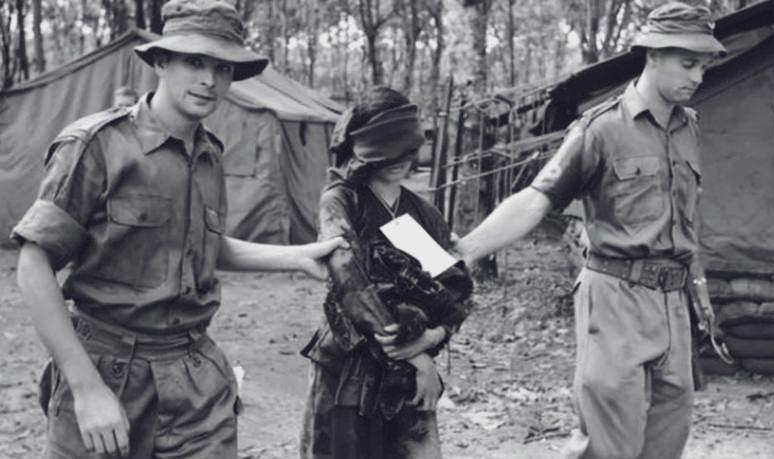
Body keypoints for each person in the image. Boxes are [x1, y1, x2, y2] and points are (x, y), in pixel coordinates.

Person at [11, 1, 344, 458]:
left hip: (193, 377)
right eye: (195, 62)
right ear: (161, 62)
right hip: (106, 369)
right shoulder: (97, 146)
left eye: (222, 68)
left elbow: (204, 245)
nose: (210, 80)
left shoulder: (209, 154)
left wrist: (298, 256)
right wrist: (86, 388)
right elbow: (33, 265)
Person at [454, 3, 725, 459]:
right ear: (652, 55)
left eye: (703, 65)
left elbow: (686, 221)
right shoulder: (600, 129)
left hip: (673, 303)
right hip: (617, 297)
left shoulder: (688, 127)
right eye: (687, 63)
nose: (698, 75)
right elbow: (537, 199)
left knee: (667, 437)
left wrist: (699, 298)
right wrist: (466, 249)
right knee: (607, 443)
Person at [300, 86, 474, 459]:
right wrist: (415, 358)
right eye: (386, 150)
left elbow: (456, 289)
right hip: (349, 365)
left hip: (407, 380)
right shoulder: (341, 201)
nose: (397, 161)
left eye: (404, 150)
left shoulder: (423, 213)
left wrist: (433, 337)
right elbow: (350, 281)